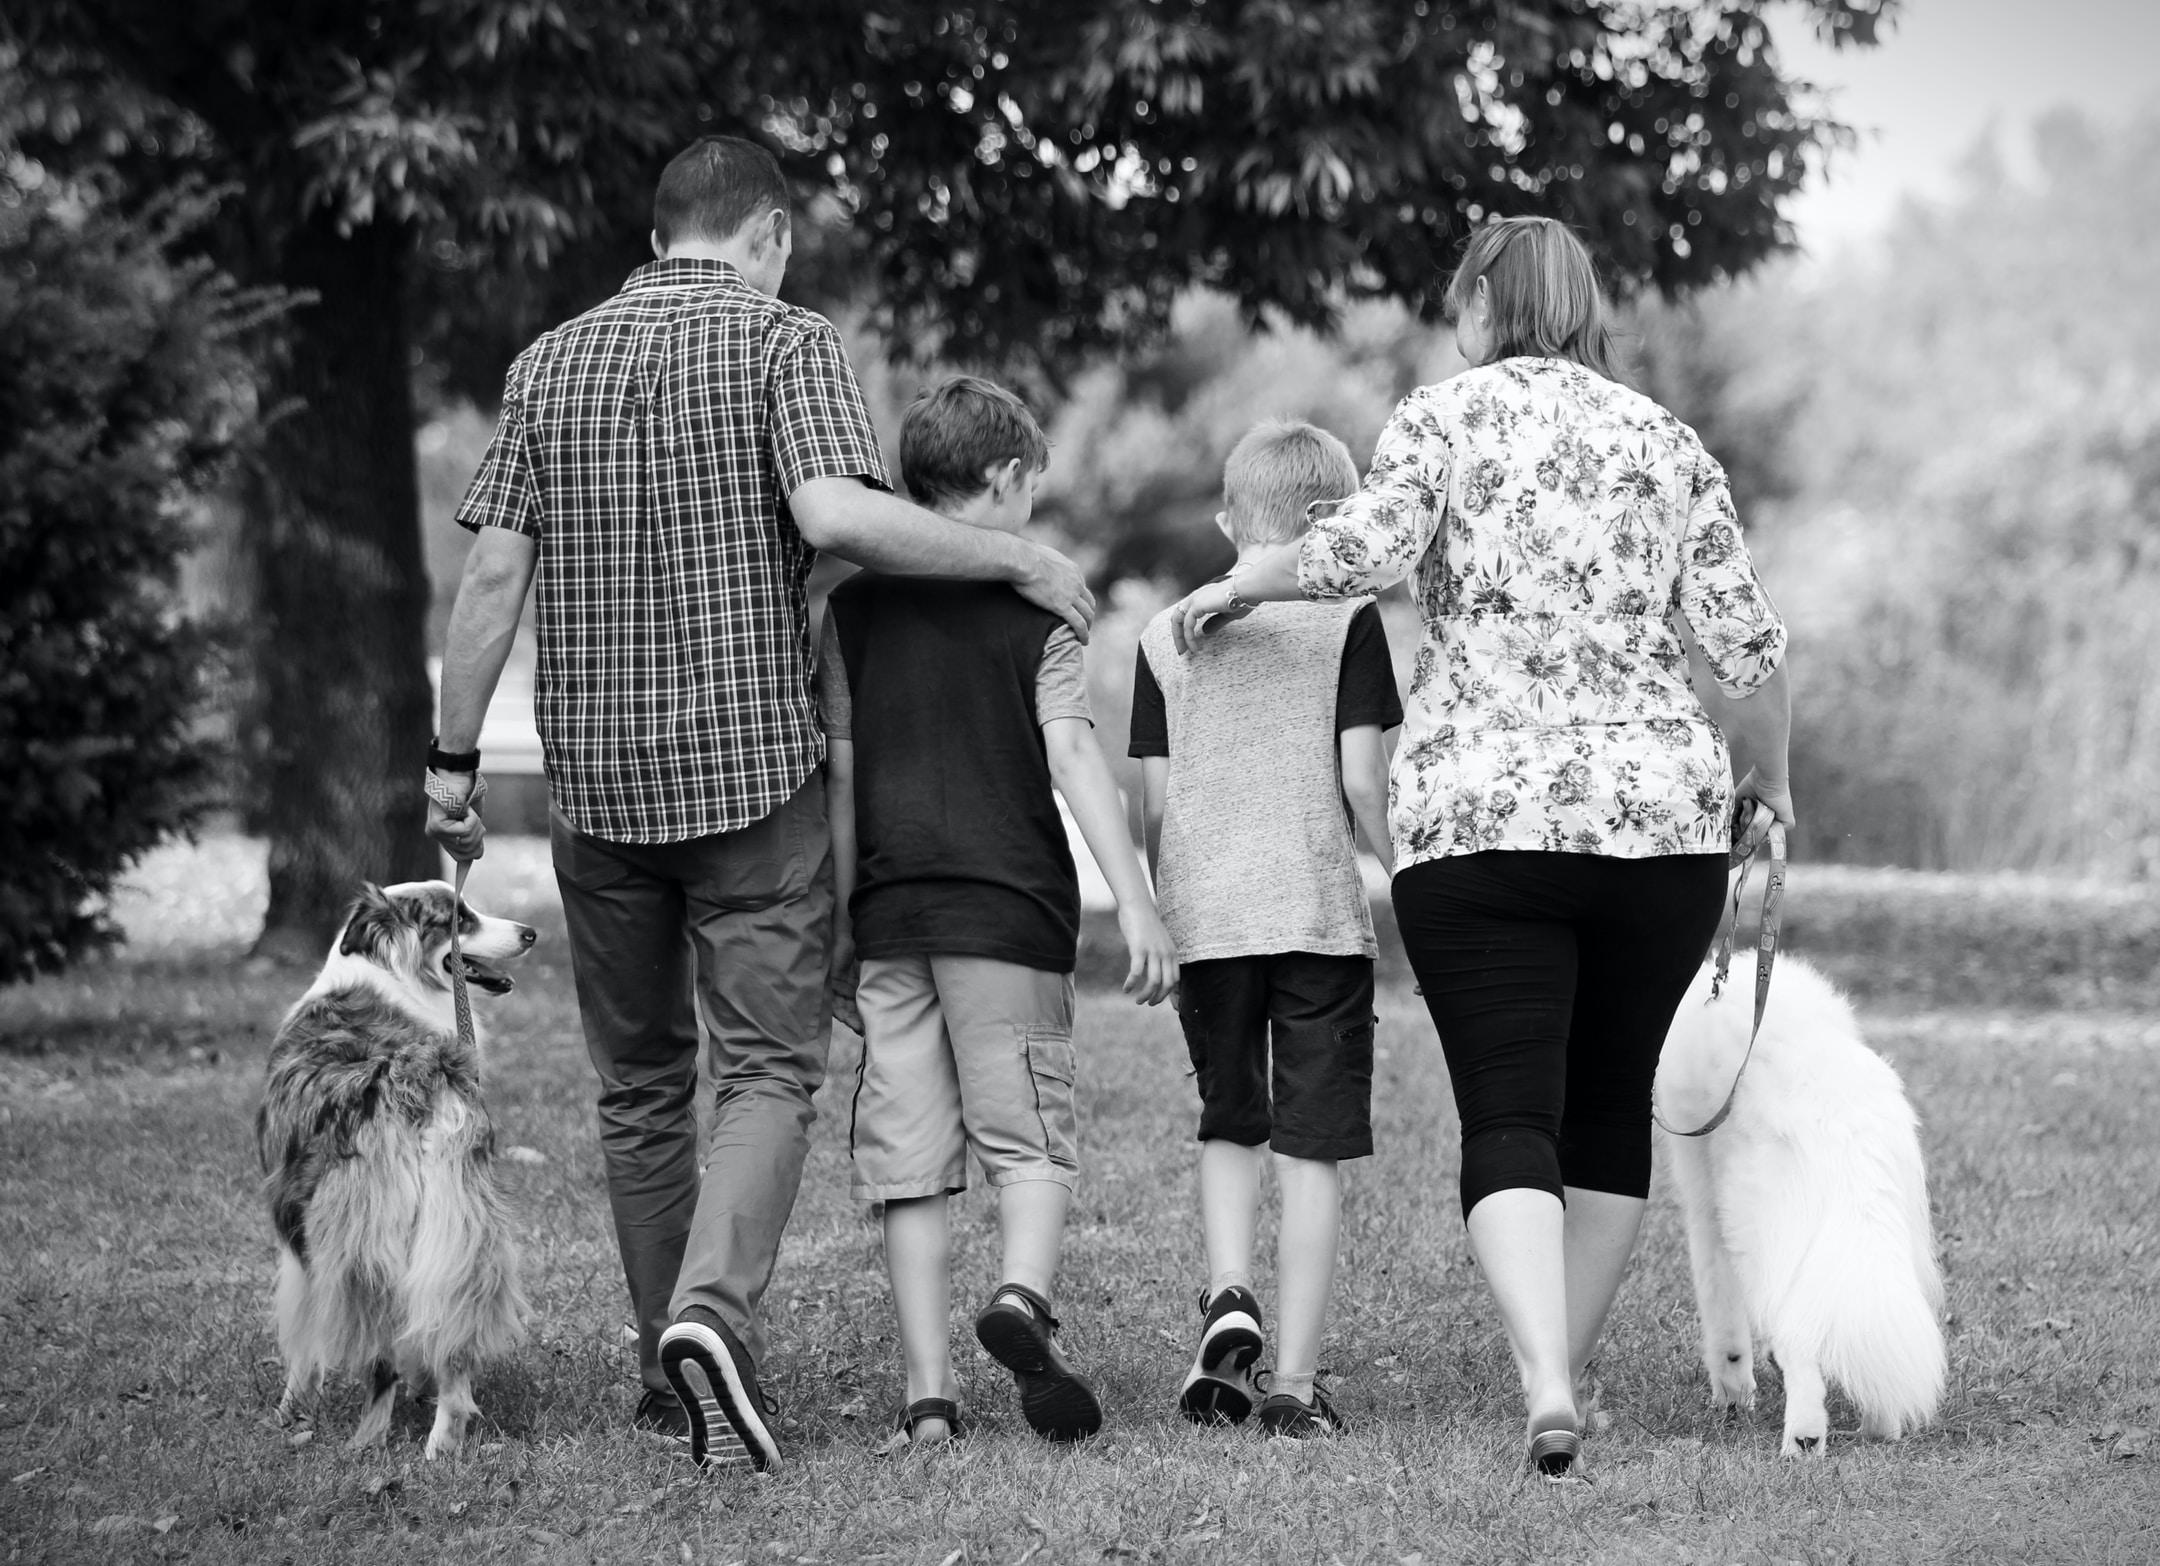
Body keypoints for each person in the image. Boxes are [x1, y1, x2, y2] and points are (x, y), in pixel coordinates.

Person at [425, 137, 1096, 1474]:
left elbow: (496, 575)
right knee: (771, 1069)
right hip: (751, 784)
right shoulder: (788, 343)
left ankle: (673, 1374)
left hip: (600, 789)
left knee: (638, 1086)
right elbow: (839, 512)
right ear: (768, 233)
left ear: (662, 228)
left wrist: (450, 763)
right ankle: (710, 1319)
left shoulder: (546, 363)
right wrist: (1014, 555)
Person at [1167, 216, 1793, 1481]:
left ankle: (1549, 1382)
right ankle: (1553, 1380)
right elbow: (1750, 647)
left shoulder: (1439, 421)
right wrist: (1768, 788)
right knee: (1610, 1103)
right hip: (1659, 828)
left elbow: (1363, 551)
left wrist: (1242, 583)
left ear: (1486, 301)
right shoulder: (1666, 442)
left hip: (1481, 822)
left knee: (1511, 1106)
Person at [817, 375, 1178, 1450]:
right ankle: (1021, 1296)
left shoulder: (850, 610)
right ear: (1011, 478)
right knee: (1027, 1142)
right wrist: (1138, 902)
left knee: (908, 1163)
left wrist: (842, 922)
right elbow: (1074, 753)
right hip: (1008, 912)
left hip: (890, 916)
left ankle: (929, 1401)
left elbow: (840, 775)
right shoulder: (1041, 605)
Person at [1128, 420, 1400, 1439]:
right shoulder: (1349, 622)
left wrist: (1161, 903)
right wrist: (1406, 872)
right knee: (1313, 1147)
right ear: (1334, 523)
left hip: (1207, 916)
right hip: (1316, 914)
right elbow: (1363, 780)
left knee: (1230, 1115)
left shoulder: (1163, 636)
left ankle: (1229, 1291)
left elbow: (1151, 804)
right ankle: (1290, 1381)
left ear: (1228, 520)